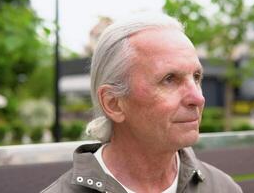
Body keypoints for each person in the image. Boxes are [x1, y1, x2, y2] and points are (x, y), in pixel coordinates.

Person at [42, 13, 242, 193]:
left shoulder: (223, 188)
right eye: (170, 79)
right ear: (113, 103)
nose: (198, 98)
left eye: (197, 77)